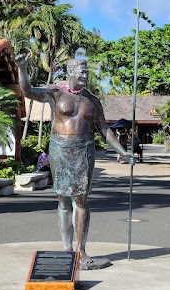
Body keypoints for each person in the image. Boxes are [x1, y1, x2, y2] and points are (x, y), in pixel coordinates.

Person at [15, 54, 129, 270]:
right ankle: (67, 248)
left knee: (81, 200)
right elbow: (28, 91)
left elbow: (104, 129)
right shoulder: (55, 92)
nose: (85, 75)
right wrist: (22, 68)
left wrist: (123, 151)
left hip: (84, 150)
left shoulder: (92, 101)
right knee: (63, 200)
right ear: (70, 73)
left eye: (86, 72)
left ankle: (81, 250)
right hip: (59, 149)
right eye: (81, 71)